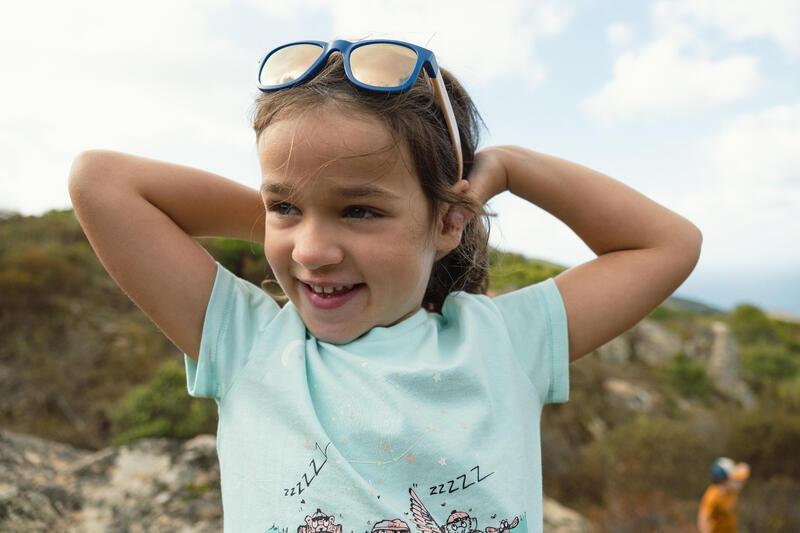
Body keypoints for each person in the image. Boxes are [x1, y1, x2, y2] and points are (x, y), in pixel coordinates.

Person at [68, 38, 702, 533]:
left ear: (452, 219)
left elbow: (667, 244)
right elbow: (100, 181)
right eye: (284, 206)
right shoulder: (248, 343)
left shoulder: (504, 343)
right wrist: (287, 220)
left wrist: (509, 168)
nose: (311, 252)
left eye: (361, 210)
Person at [697, 457, 750, 533]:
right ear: (722, 479)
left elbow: (743, 472)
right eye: (733, 478)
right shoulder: (712, 496)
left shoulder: (731, 491)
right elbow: (703, 519)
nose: (738, 481)